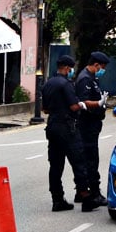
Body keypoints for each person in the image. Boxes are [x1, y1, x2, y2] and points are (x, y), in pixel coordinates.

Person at [43, 55, 100, 211]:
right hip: (67, 127)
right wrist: (81, 105)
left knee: (55, 165)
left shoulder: (48, 83)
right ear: (67, 68)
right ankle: (86, 197)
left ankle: (57, 199)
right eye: (71, 69)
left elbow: (45, 109)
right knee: (79, 162)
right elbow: (74, 106)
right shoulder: (66, 84)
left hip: (52, 126)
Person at [75, 51, 111, 212]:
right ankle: (94, 193)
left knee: (88, 158)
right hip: (87, 125)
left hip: (92, 125)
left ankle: (82, 192)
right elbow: (82, 101)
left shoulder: (92, 78)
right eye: (101, 67)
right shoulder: (85, 79)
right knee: (90, 159)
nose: (102, 70)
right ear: (96, 65)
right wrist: (98, 103)